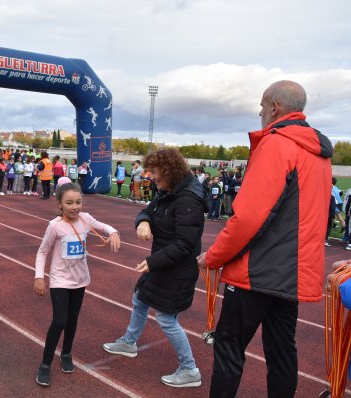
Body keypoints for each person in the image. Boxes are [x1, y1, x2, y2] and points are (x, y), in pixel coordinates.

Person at [197, 80, 333, 397]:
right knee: (282, 352)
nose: (260, 112)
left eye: (262, 105)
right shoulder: (321, 156)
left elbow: (248, 217)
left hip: (256, 273)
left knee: (228, 346)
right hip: (293, 274)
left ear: (275, 107)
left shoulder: (277, 144)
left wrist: (213, 256)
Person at [103, 148, 205, 388]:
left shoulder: (188, 198)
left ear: (169, 170)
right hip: (163, 262)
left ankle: (190, 369)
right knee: (140, 298)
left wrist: (152, 262)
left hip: (177, 269)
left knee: (167, 318)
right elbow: (148, 210)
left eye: (156, 172)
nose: (152, 176)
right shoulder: (168, 190)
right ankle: (129, 342)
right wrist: (144, 222)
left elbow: (185, 244)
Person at [34, 181, 121, 387]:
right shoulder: (55, 226)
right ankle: (45, 364)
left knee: (73, 320)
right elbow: (42, 251)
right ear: (59, 205)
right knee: (59, 321)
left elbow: (104, 226)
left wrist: (114, 232)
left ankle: (66, 353)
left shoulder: (86, 219)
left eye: (78, 202)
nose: (75, 207)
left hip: (80, 280)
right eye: (69, 203)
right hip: (60, 280)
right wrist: (39, 276)